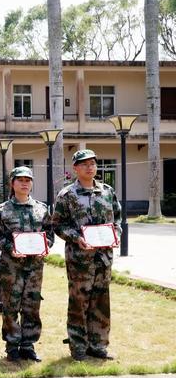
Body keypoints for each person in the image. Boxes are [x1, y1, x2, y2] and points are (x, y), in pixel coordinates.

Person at [52, 149, 121, 361]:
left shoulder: (107, 192)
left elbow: (117, 219)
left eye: (92, 163)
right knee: (78, 302)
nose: (89, 167)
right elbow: (58, 224)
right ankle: (78, 346)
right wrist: (76, 237)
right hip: (79, 259)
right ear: (75, 168)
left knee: (101, 301)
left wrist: (116, 235)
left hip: (103, 258)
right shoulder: (67, 195)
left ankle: (98, 345)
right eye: (84, 164)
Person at [0, 166, 54, 362]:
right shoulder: (2, 210)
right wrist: (11, 248)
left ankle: (28, 345)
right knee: (11, 305)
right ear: (12, 183)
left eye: (28, 180)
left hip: (34, 268)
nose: (24, 183)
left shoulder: (41, 209)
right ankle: (12, 346)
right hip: (12, 267)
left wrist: (44, 246)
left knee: (32, 306)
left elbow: (50, 234)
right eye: (20, 180)